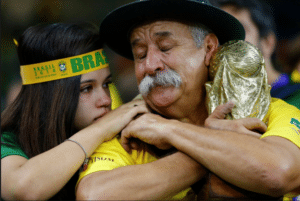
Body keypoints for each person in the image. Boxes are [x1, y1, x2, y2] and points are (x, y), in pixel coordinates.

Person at [76, 0, 300, 200]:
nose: (151, 65)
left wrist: (169, 130)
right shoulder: (130, 131)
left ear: (209, 48)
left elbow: (280, 172)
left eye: (165, 48)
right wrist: (221, 147)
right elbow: (94, 195)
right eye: (141, 54)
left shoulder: (271, 111)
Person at [1, 22, 149, 200]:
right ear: (50, 96)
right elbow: (22, 188)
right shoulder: (8, 141)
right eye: (86, 88)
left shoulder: (123, 134)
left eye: (106, 84)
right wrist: (102, 128)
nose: (106, 100)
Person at [214, 0, 300, 110]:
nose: (227, 41)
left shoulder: (296, 97)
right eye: (220, 32)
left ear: (267, 43)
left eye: (239, 30)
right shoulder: (216, 100)